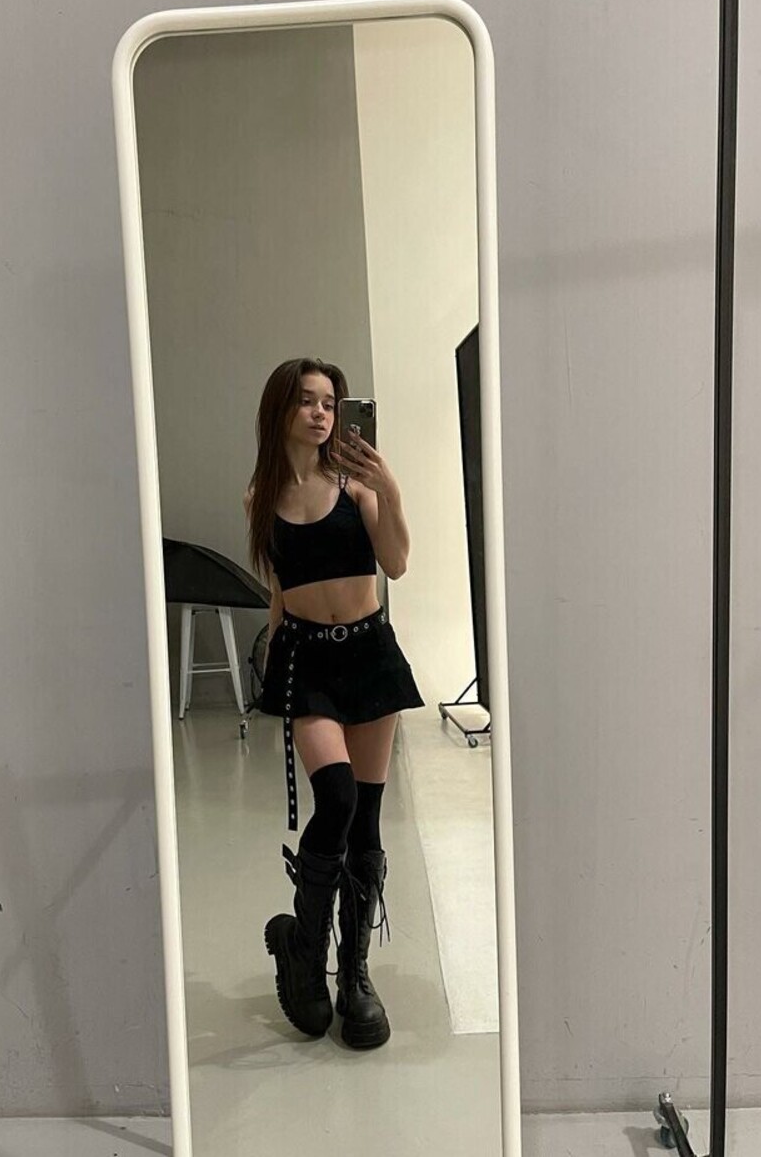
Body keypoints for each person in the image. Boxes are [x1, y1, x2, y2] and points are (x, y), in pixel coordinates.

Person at [243, 356, 423, 1049]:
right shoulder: (260, 497)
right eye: (307, 401)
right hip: (307, 662)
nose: (321, 413)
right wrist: (272, 663)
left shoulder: (356, 486)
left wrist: (390, 489)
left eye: (329, 402)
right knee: (338, 798)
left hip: (369, 655)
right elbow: (280, 590)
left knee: (366, 820)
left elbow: (396, 562)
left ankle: (354, 974)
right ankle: (305, 951)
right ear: (281, 410)